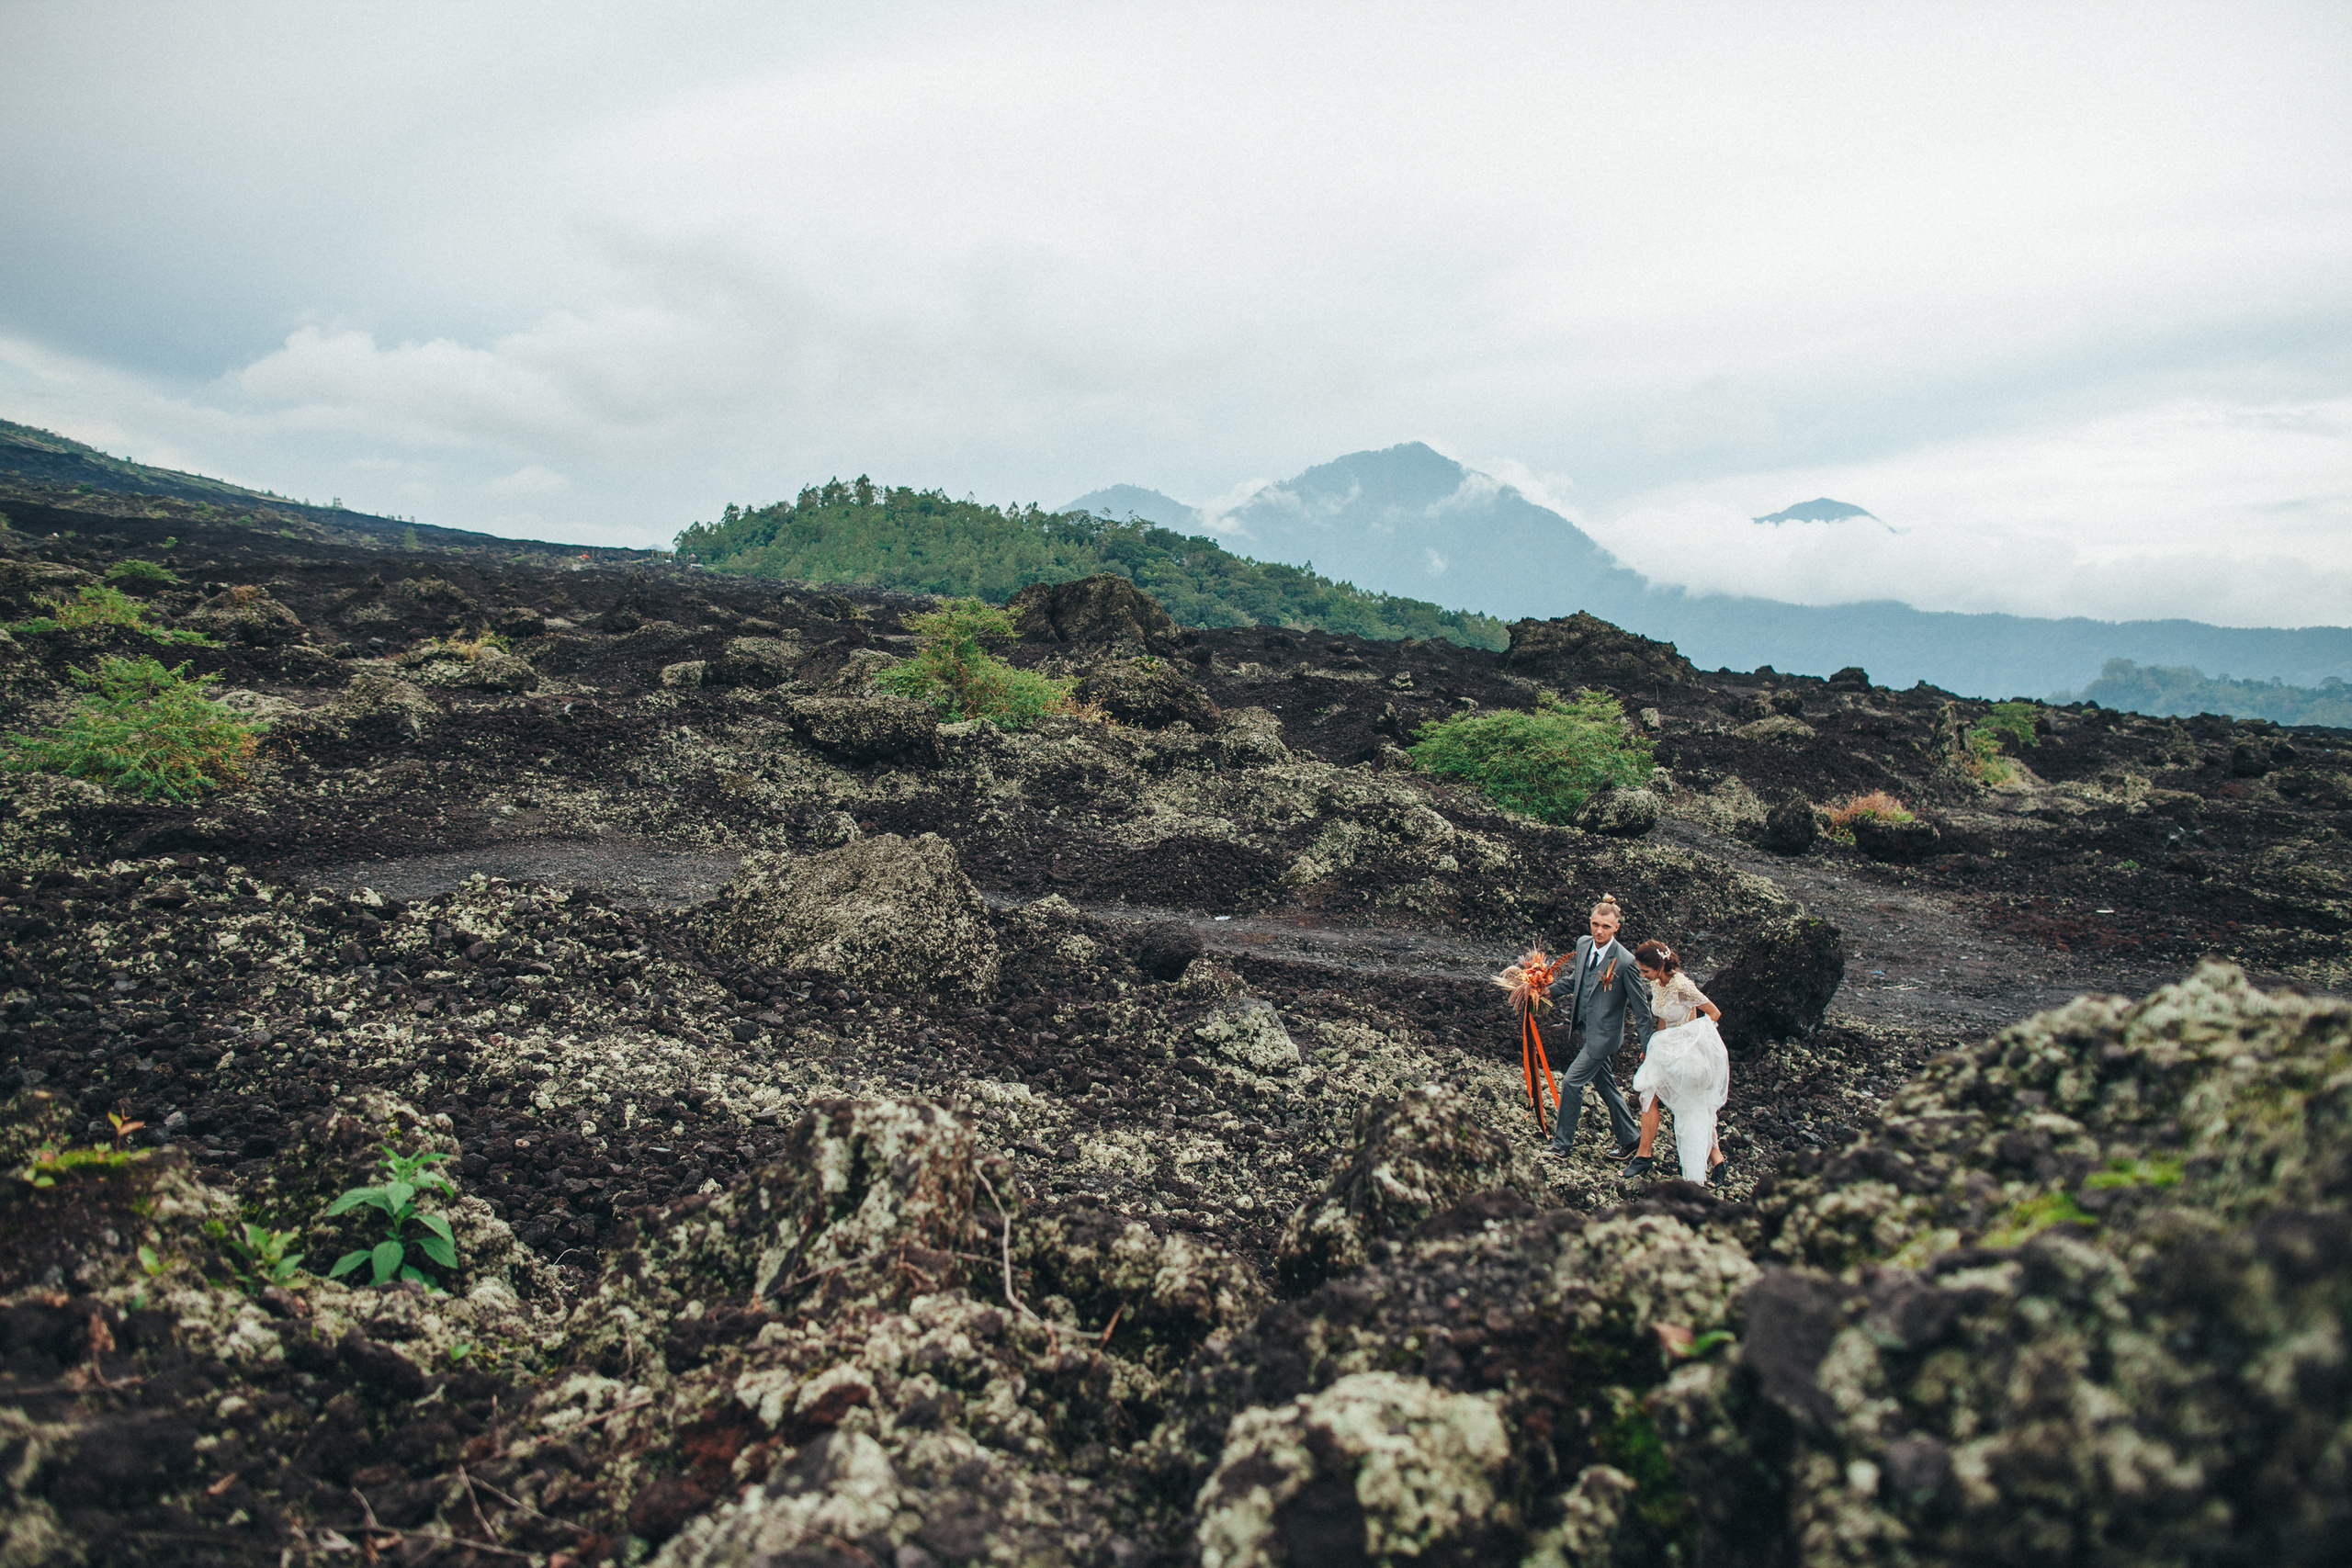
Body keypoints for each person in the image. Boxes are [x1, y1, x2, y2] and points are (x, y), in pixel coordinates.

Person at [1544, 894, 1652, 1164]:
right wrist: (1546, 991)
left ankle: (1561, 1145)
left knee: (1571, 1081)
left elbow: (1641, 1010)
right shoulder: (1583, 945)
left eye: (1605, 926)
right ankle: (1630, 1138)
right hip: (1584, 1029)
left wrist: (1649, 1048)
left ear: (1617, 927)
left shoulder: (1626, 962)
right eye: (1595, 924)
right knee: (1605, 1085)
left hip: (1604, 1037)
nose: (1599, 931)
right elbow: (1575, 980)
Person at [1623, 940, 1729, 1183]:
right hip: (1665, 1051)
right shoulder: (1658, 984)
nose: (1643, 976)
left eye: (1645, 971)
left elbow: (1714, 1013)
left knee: (1691, 1107)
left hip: (1687, 1056)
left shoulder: (1682, 985)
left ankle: (1716, 1159)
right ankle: (1644, 1156)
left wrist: (1688, 1040)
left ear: (1660, 966)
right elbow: (1663, 1019)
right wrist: (1653, 1048)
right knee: (1649, 1097)